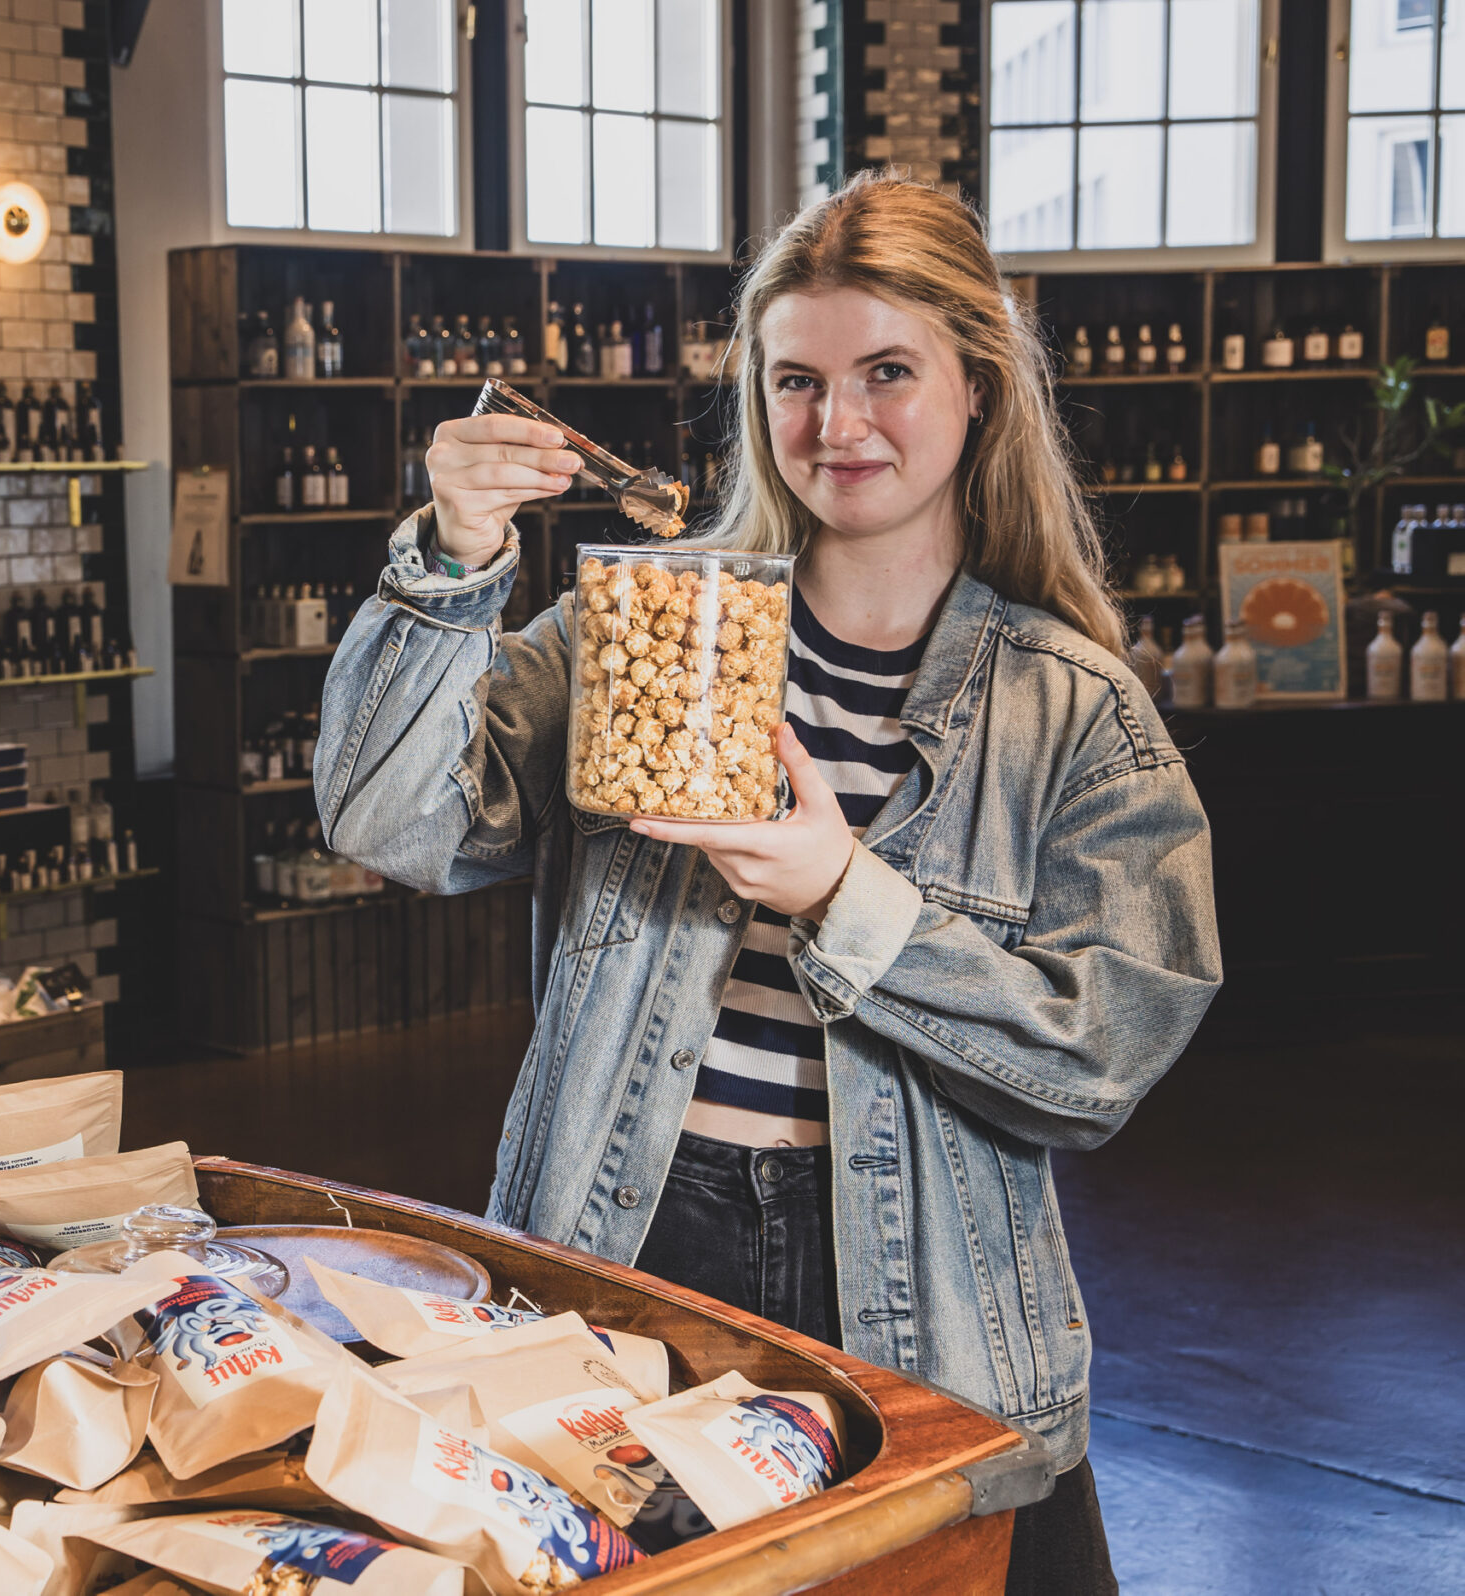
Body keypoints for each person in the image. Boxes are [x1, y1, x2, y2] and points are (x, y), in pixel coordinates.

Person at [315, 171, 1220, 1593]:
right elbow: (394, 822)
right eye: (796, 379)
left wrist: (841, 893)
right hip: (629, 1235)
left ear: (978, 387)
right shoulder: (642, 625)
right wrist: (453, 555)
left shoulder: (1073, 715)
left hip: (921, 1296)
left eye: (887, 374)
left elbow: (1103, 1054)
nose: (835, 424)